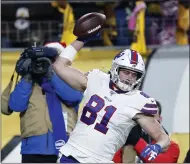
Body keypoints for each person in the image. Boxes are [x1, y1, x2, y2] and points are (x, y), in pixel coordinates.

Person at [35, 31, 170, 162]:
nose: (130, 78)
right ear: (116, 69)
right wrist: (82, 39)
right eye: (126, 72)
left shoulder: (139, 101)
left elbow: (163, 137)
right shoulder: (97, 79)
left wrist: (157, 146)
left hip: (100, 160)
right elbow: (59, 66)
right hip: (72, 155)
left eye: (134, 74)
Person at [8, 43, 83, 163]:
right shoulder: (28, 82)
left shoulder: (73, 79)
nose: (50, 64)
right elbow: (15, 105)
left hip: (66, 147)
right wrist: (27, 77)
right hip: (33, 149)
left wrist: (51, 76)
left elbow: (73, 98)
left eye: (54, 60)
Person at [113, 101, 180, 163]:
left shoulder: (172, 147)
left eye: (152, 116)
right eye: (143, 116)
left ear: (160, 119)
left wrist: (137, 141)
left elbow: (160, 161)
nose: (147, 120)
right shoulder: (124, 139)